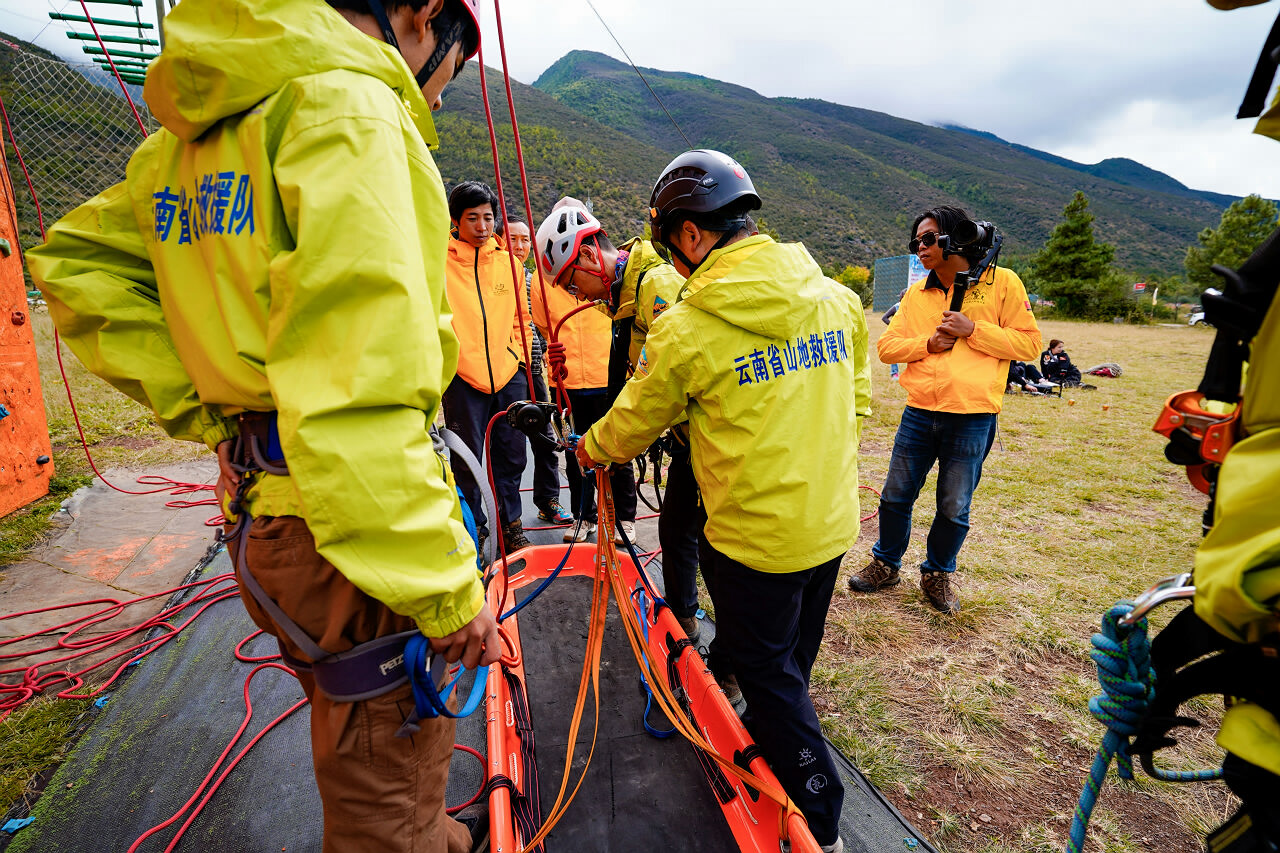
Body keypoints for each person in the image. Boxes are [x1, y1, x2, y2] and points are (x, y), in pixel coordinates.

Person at [27, 1, 496, 851]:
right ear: (423, 14)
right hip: (349, 543)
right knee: (381, 801)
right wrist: (449, 589)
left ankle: (433, 827)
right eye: (445, 77)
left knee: (371, 744)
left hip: (268, 519)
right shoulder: (349, 109)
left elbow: (77, 263)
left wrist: (219, 410)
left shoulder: (189, 141)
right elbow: (359, 392)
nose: (430, 97)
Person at [575, 149, 871, 853]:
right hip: (829, 522)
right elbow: (855, 399)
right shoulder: (837, 298)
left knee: (763, 668)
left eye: (671, 250)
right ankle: (781, 738)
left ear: (691, 235)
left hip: (751, 540)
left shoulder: (687, 326)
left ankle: (819, 816)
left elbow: (634, 421)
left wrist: (586, 449)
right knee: (792, 659)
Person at [849, 205, 1041, 613]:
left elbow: (1029, 345)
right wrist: (927, 345)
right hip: (919, 412)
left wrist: (974, 330)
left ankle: (937, 574)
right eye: (916, 240)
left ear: (954, 237)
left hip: (972, 417)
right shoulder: (918, 293)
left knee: (954, 506)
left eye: (928, 237)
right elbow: (887, 348)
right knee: (895, 496)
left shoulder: (1002, 283)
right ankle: (886, 564)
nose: (920, 246)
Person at [534, 197, 702, 634]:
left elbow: (664, 385)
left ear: (590, 256)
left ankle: (697, 640)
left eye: (572, 284)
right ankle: (685, 624)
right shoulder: (624, 299)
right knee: (678, 532)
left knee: (695, 541)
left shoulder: (657, 290)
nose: (575, 296)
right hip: (690, 436)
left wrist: (602, 444)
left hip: (705, 437)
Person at [442, 181, 535, 552]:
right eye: (472, 218)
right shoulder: (439, 262)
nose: (482, 226)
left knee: (512, 454)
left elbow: (521, 319)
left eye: (487, 217)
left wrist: (521, 361)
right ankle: (475, 527)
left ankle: (510, 524)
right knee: (466, 460)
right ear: (455, 221)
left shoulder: (509, 264)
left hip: (508, 373)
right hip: (462, 377)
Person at [527, 241, 628, 542]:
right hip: (567, 382)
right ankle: (585, 516)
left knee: (617, 448)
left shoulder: (606, 274)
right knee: (575, 453)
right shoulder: (543, 280)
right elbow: (545, 327)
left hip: (606, 376)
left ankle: (625, 517)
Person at [505, 218, 573, 527]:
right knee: (509, 442)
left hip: (533, 368)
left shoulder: (534, 281)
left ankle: (548, 500)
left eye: (524, 241)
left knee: (545, 435)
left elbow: (542, 326)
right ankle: (506, 516)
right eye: (512, 239)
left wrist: (547, 355)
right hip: (505, 369)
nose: (519, 246)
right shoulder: (494, 280)